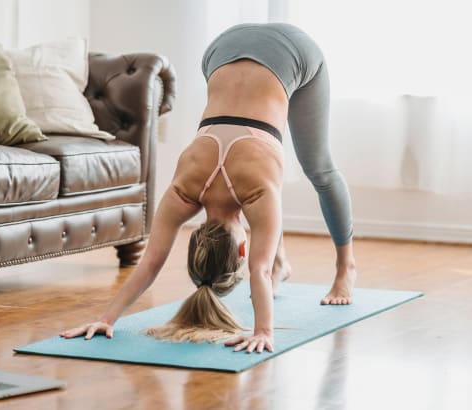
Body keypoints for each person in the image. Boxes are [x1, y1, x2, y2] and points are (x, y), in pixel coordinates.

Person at [60, 23, 357, 353]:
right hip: (221, 49)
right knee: (263, 178)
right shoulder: (183, 192)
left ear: (242, 250)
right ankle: (282, 261)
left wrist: (264, 332)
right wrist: (106, 318)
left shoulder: (255, 193)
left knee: (319, 168)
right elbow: (150, 263)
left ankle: (347, 268)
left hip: (293, 50)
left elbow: (257, 270)